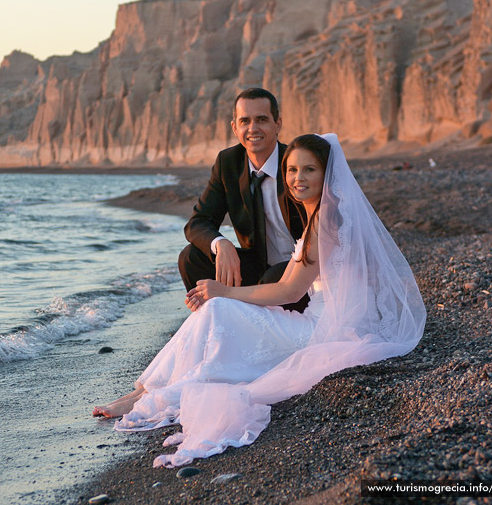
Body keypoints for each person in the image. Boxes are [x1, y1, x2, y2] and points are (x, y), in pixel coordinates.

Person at [93, 133, 426, 468]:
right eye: (293, 170)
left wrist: (224, 291)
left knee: (220, 307)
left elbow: (289, 292)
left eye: (309, 170)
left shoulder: (325, 219)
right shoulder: (323, 213)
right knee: (218, 309)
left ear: (327, 173)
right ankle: (144, 391)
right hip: (324, 318)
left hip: (321, 330)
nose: (298, 178)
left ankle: (150, 392)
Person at [179, 88, 309, 312]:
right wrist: (221, 244)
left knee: (276, 275)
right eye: (245, 121)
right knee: (190, 257)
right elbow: (198, 222)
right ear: (234, 127)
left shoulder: (296, 162)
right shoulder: (228, 163)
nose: (253, 128)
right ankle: (221, 319)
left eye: (261, 119)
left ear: (277, 124)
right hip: (257, 270)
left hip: (304, 274)